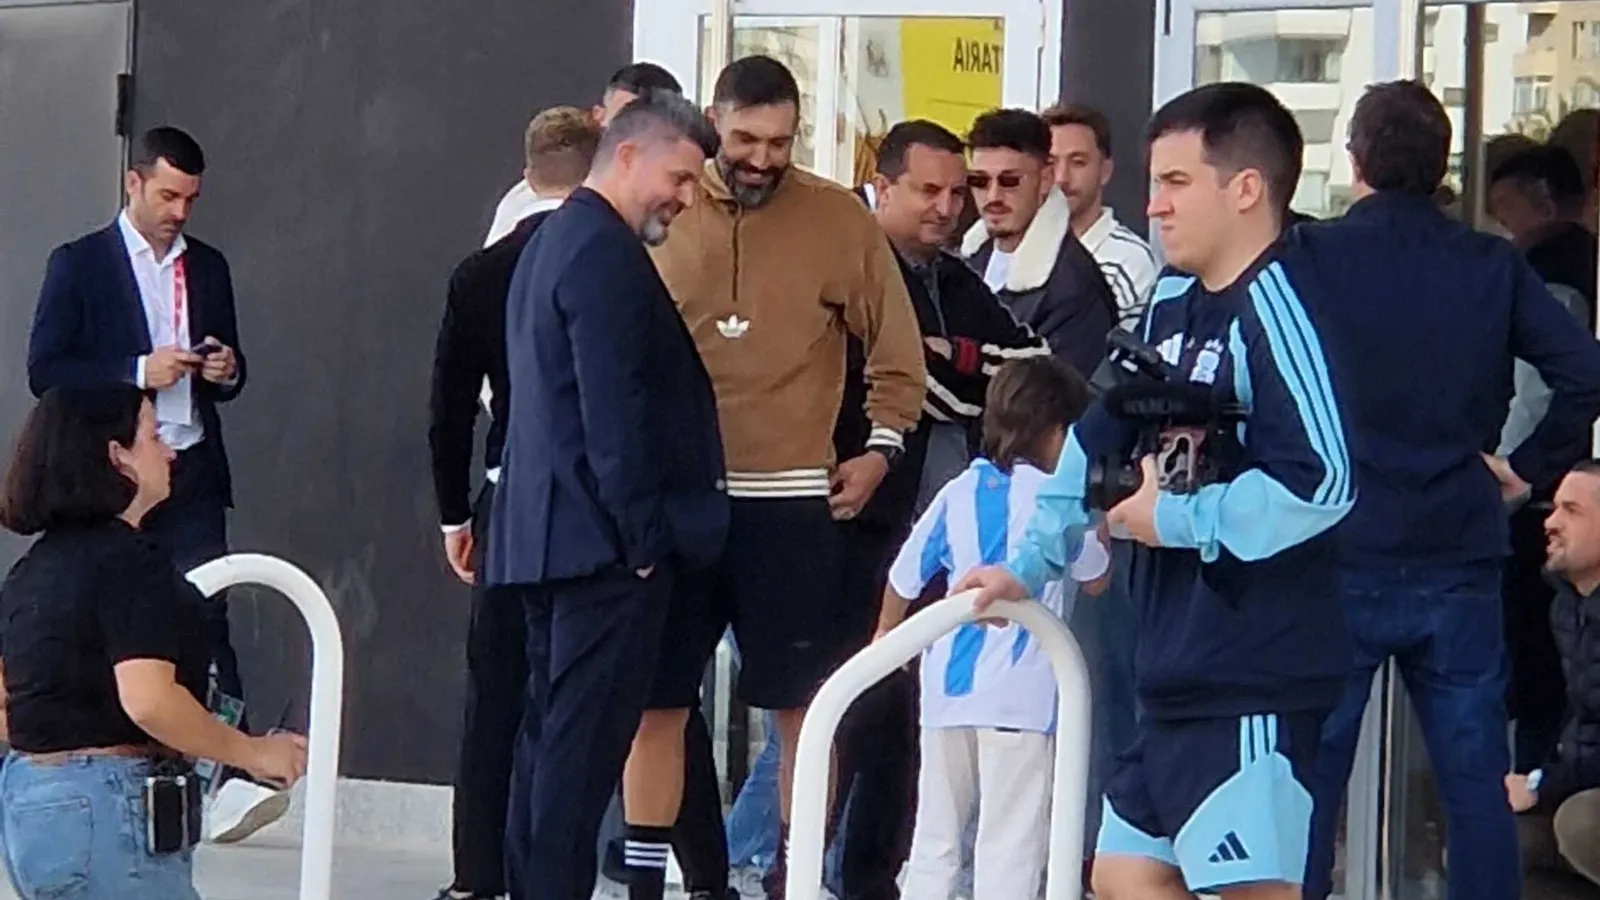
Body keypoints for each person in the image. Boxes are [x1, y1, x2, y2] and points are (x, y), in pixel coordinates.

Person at [957, 82, 1356, 900]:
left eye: (1176, 183)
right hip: (1168, 668)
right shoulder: (1169, 302)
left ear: (1244, 189)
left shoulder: (1281, 306)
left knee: (1247, 888)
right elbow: (1096, 433)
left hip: (1253, 678)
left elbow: (1324, 481)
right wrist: (1028, 566)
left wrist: (1173, 519)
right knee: (1123, 877)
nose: (1155, 206)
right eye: (1153, 183)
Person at [1295, 82, 1600, 900]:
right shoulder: (1490, 263)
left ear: (1354, 161)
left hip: (1338, 540)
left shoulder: (1311, 257)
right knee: (1472, 786)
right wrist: (1529, 467)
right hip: (1456, 541)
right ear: (1444, 170)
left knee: (1311, 779)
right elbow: (1584, 373)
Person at [634, 54, 925, 900]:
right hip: (679, 505)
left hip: (794, 506)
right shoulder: (665, 207)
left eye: (782, 141)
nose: (763, 156)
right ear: (714, 121)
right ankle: (656, 885)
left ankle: (793, 883)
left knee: (805, 711)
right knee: (656, 707)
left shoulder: (839, 218)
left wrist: (880, 452)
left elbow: (899, 359)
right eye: (747, 137)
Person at [483, 91, 725, 900]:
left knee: (549, 750)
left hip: (551, 537)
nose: (685, 198)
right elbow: (610, 411)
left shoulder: (554, 243)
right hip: (601, 550)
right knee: (576, 760)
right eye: (681, 176)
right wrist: (645, 541)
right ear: (627, 155)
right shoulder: (602, 252)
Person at [23, 125, 278, 843]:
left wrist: (227, 369)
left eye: (191, 198)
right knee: (117, 618)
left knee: (206, 609)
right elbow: (47, 370)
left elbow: (230, 368)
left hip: (189, 464)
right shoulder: (79, 264)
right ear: (132, 183)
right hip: (113, 474)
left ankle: (223, 772)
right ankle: (160, 761)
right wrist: (138, 370)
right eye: (167, 194)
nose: (180, 212)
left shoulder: (211, 267)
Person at [0, 386, 307, 899]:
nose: (170, 449)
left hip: (31, 807)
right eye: (153, 434)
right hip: (112, 807)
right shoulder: (130, 561)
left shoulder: (27, 574)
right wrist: (252, 753)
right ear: (117, 456)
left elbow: (7, 705)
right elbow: (148, 698)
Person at [428, 106, 600, 900]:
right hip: (599, 505)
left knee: (494, 694)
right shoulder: (617, 262)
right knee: (585, 696)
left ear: (527, 170)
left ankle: (475, 874)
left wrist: (455, 516)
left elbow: (449, 407)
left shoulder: (482, 271)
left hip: (506, 496)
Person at [876, 355, 1108, 900]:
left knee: (933, 840)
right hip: (1022, 698)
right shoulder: (1059, 501)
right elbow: (1096, 578)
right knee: (1010, 844)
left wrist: (886, 639)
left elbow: (905, 576)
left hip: (945, 693)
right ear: (1058, 432)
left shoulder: (957, 490)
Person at [1487, 143, 1598, 774]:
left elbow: (1538, 391)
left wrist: (1515, 469)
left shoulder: (1549, 277)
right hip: (1560, 484)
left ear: (1543, 203)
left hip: (1539, 497)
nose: (1502, 231)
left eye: (1505, 213)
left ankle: (1535, 786)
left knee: (1537, 668)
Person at [960, 108, 1117, 380]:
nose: (993, 195)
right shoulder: (963, 261)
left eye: (1010, 181)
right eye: (979, 180)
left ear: (1045, 179)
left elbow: (1057, 405)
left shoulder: (1076, 289)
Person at [1510, 461, 1600, 891]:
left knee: (1582, 823)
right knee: (1503, 842)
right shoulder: (1566, 605)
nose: (1551, 522)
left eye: (1572, 511)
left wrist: (1541, 784)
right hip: (1583, 781)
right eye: (1554, 508)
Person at [485, 62, 683, 245]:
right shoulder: (533, 196)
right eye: (622, 123)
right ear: (598, 117)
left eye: (651, 131)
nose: (630, 141)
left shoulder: (684, 208)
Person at [1042, 103, 1159, 331]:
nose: (1061, 178)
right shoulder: (1016, 249)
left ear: (1104, 171)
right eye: (1050, 163)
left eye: (1078, 162)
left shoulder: (1128, 260)